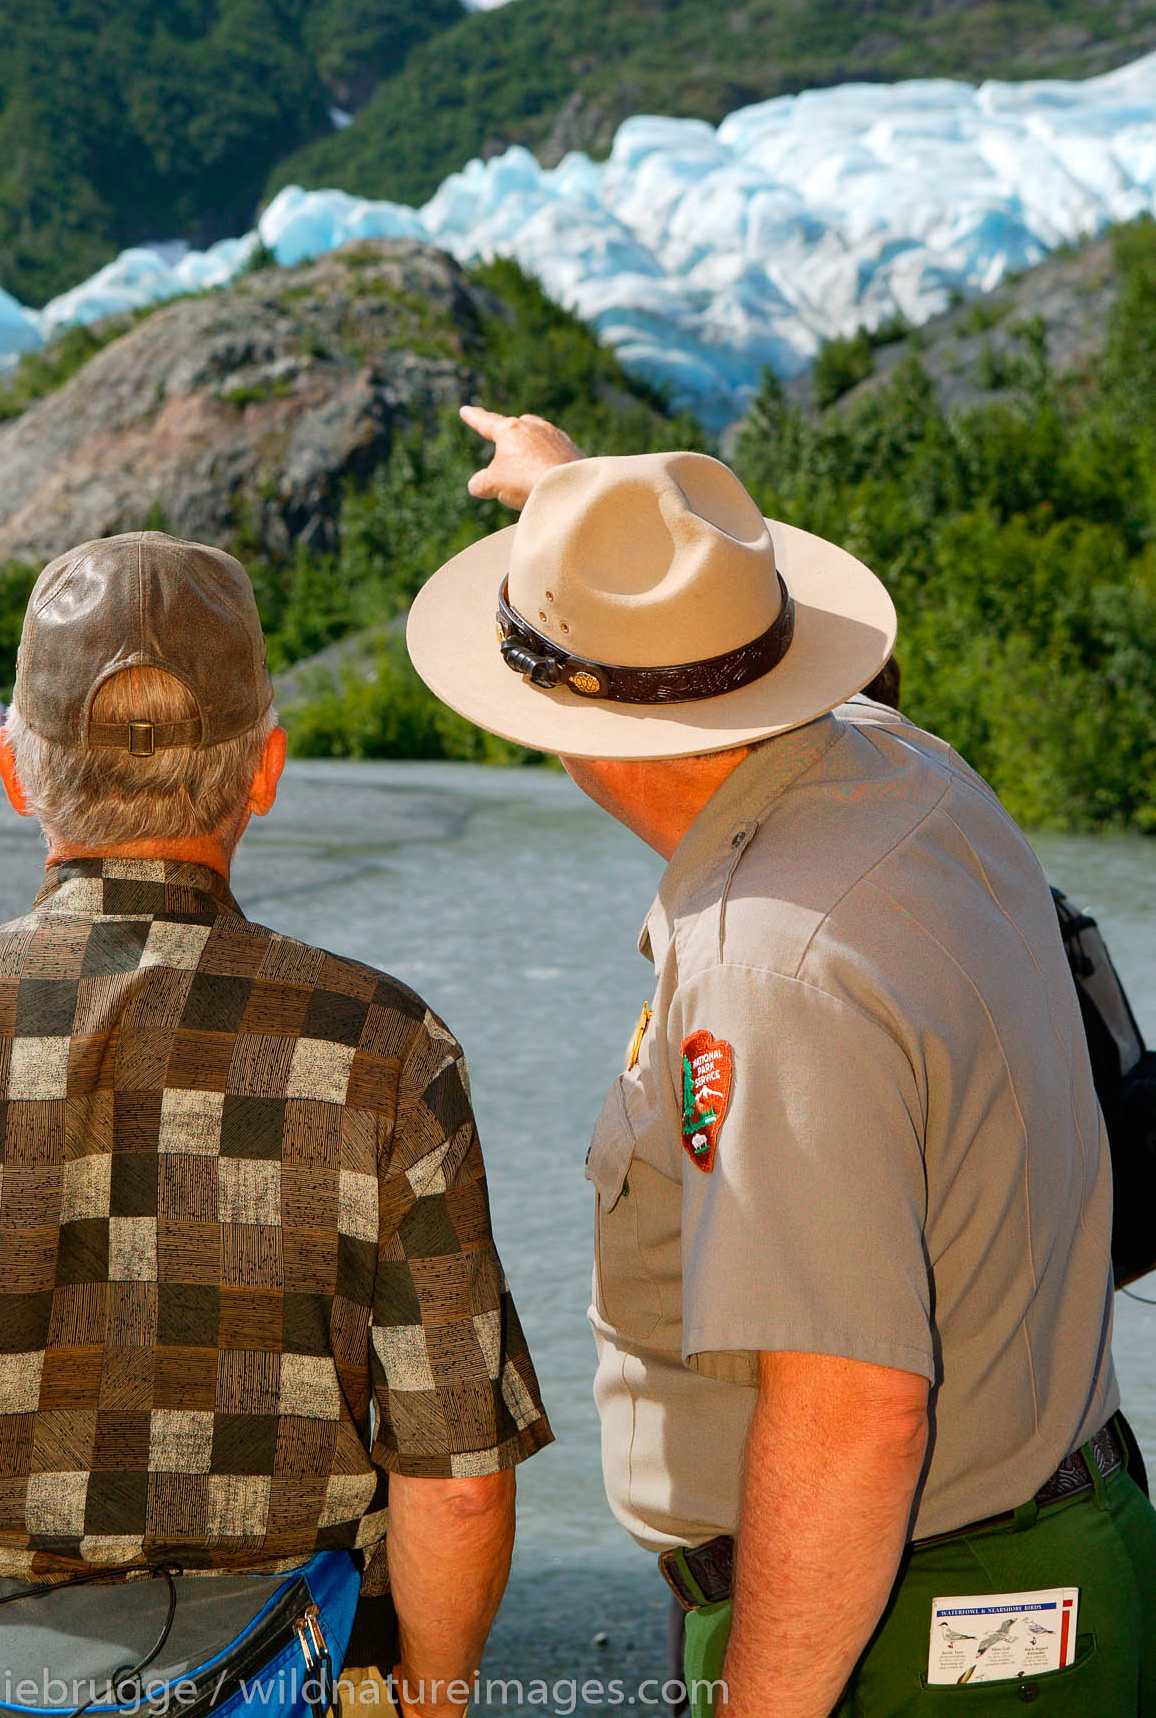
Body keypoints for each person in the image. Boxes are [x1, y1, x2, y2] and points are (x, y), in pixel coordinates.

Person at [405, 407, 1156, 1718]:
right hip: (1025, 1567)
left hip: (914, 1637)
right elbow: (702, 630)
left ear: (561, 724)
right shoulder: (895, 763)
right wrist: (581, 501)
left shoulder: (771, 969)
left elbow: (852, 1416)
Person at [0, 532, 551, 1715]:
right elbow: (455, 1477)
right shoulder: (384, 1045)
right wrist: (430, 1700)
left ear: (16, 771)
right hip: (273, 1661)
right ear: (264, 770)